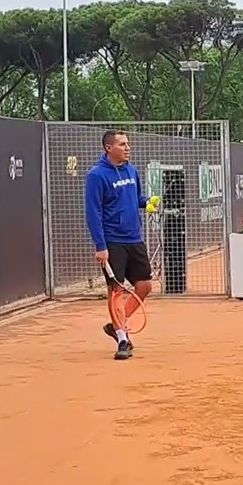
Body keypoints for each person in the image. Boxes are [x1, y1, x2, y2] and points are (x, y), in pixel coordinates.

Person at [85, 130, 157, 360]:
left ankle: (117, 324)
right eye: (122, 144)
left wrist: (147, 203)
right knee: (116, 290)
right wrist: (100, 246)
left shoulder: (131, 170)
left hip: (135, 239)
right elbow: (93, 212)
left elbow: (135, 199)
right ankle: (122, 338)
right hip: (112, 241)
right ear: (108, 148)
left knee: (144, 286)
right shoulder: (97, 175)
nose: (127, 148)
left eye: (128, 144)